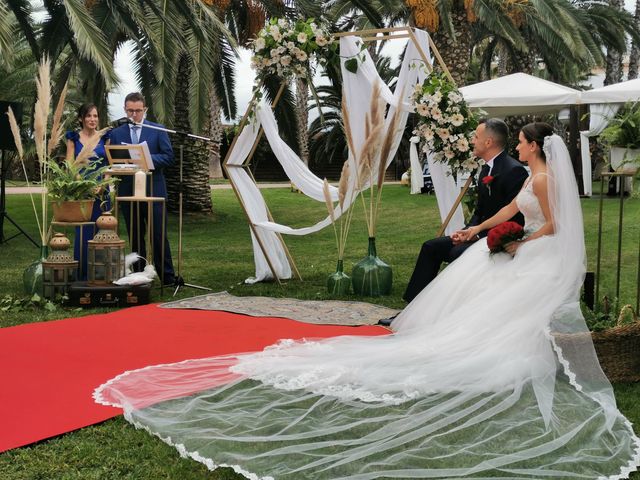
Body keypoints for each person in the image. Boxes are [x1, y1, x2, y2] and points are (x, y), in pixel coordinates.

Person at [94, 124, 640, 479]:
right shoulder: (530, 175)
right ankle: (429, 321)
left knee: (505, 313)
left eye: (521, 140)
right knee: (471, 289)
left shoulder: (539, 179)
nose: (519, 145)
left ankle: (480, 341)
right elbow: (505, 213)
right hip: (512, 244)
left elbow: (556, 225)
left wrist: (521, 241)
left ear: (531, 146)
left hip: (537, 253)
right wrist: (481, 229)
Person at [402, 118, 528, 304]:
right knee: (431, 247)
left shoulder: (513, 171)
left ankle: (449, 309)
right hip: (479, 233)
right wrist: (467, 231)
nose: (471, 141)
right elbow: (480, 210)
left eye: (475, 136)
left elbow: (514, 217)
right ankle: (412, 306)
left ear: (488, 142)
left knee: (457, 253)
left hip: (500, 238)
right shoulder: (486, 169)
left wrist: (476, 235)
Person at [108, 92, 175, 285]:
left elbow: (168, 157)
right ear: (125, 109)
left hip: (154, 189)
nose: (134, 115)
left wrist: (146, 159)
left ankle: (168, 277)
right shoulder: (117, 133)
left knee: (158, 235)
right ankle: (139, 277)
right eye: (130, 111)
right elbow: (113, 159)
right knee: (135, 235)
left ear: (144, 109)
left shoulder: (157, 129)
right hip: (128, 191)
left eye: (138, 111)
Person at [65, 103, 111, 280]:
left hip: (101, 191)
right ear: (81, 118)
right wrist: (83, 185)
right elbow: (70, 165)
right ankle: (82, 275)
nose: (93, 119)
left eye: (95, 116)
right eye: (89, 116)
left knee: (103, 231)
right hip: (82, 191)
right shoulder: (73, 138)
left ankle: (101, 274)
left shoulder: (105, 137)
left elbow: (109, 164)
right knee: (83, 232)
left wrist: (104, 185)